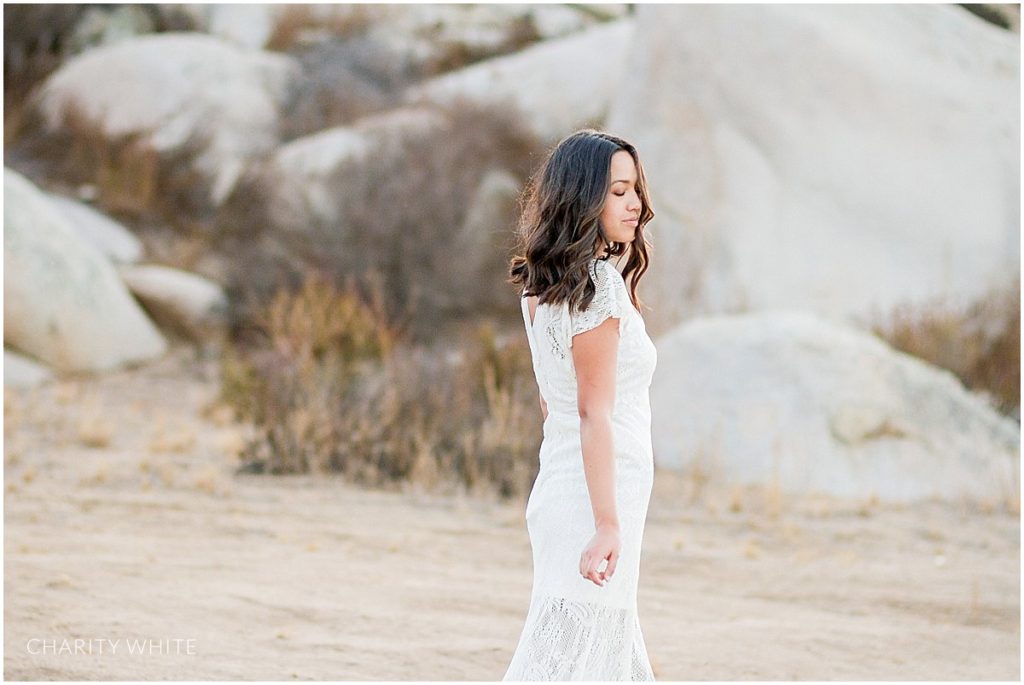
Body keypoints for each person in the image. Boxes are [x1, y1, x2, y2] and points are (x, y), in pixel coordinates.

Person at [503, 129, 658, 681]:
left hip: (569, 488)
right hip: (596, 502)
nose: (635, 202)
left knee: (604, 655)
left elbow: (554, 403)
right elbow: (593, 412)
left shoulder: (546, 287)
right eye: (618, 191)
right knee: (568, 661)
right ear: (584, 197)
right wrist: (608, 524)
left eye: (635, 189)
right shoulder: (598, 289)